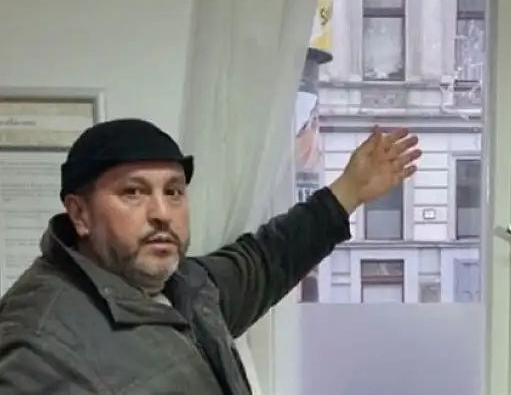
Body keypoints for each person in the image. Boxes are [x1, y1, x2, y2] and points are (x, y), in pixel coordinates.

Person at [0, 118, 421, 395]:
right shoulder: (39, 344)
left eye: (173, 191)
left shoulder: (185, 288)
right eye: (133, 192)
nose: (162, 213)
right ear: (80, 214)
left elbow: (265, 260)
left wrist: (349, 190)